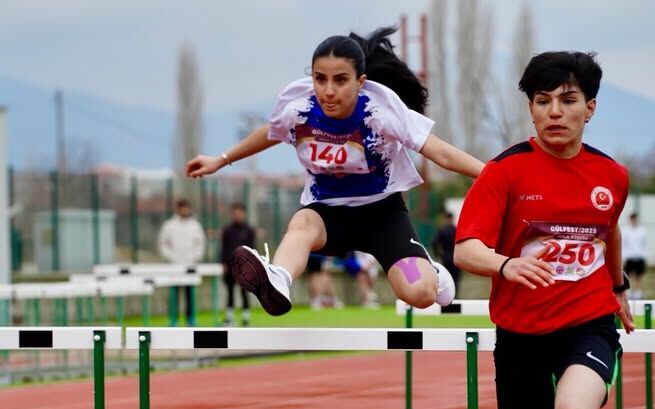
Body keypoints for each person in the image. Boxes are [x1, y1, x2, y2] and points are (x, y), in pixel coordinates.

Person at [453, 51, 635, 409]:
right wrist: (506, 264)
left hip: (588, 321)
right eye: (542, 101)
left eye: (568, 100)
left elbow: (607, 233)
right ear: (531, 108)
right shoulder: (503, 172)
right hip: (521, 330)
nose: (555, 111)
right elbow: (465, 249)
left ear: (591, 108)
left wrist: (619, 285)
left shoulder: (612, 175)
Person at [186, 27, 483, 316]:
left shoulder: (378, 114)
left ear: (360, 81)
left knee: (420, 295)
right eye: (320, 79)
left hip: (381, 215)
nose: (328, 91)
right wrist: (221, 159)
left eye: (340, 80)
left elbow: (440, 152)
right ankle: (278, 279)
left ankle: (430, 271)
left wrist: (493, 173)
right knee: (301, 222)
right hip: (326, 214)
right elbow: (270, 133)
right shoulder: (299, 111)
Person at [158, 199, 206, 326]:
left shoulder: (195, 225)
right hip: (174, 265)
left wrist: (195, 257)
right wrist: (170, 256)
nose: (184, 211)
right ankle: (173, 318)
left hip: (190, 265)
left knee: (190, 293)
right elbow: (163, 243)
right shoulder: (169, 225)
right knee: (174, 294)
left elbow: (200, 244)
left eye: (186, 208)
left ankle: (191, 318)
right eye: (182, 208)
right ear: (177, 209)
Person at [220, 202, 256, 326]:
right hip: (230, 266)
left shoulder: (249, 230)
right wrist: (224, 263)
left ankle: (246, 317)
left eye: (239, 213)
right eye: (234, 213)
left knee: (244, 291)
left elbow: (252, 248)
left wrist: (250, 265)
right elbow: (223, 248)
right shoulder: (227, 230)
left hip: (244, 267)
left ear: (244, 214)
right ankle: (229, 318)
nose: (237, 215)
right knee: (230, 292)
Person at [432, 211, 461, 299]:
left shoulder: (442, 231)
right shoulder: (457, 230)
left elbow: (434, 243)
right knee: (456, 280)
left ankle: (447, 299)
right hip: (456, 258)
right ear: (452, 219)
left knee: (446, 280)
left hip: (446, 258)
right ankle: (455, 298)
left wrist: (439, 254)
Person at [620, 212, 647, 299]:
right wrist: (623, 257)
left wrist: (644, 255)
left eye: (635, 219)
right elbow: (623, 244)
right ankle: (629, 292)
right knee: (628, 276)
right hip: (629, 257)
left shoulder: (642, 230)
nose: (633, 221)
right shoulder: (626, 231)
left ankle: (638, 293)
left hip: (639, 256)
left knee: (638, 276)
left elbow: (644, 244)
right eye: (632, 219)